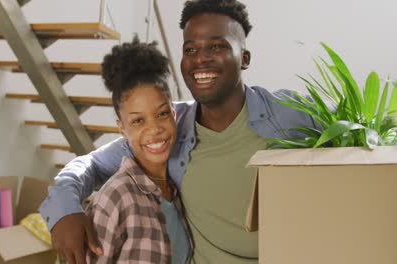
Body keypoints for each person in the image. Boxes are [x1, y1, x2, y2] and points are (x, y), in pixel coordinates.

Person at [40, 0, 317, 263]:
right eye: (190, 50)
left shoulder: (287, 113)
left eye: (217, 46)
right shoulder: (170, 127)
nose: (201, 60)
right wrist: (65, 211)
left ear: (244, 57)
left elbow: (355, 132)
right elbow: (88, 164)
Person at [81, 37, 193, 263]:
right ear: (122, 128)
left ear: (174, 114)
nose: (154, 129)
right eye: (138, 121)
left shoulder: (178, 193)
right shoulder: (116, 197)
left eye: (161, 114)